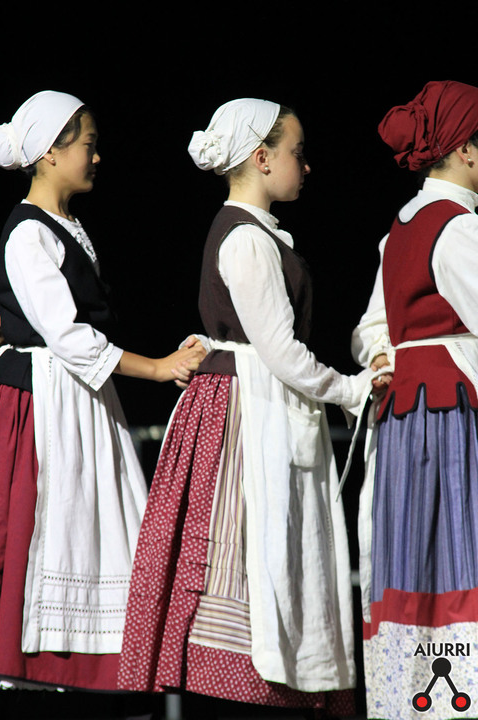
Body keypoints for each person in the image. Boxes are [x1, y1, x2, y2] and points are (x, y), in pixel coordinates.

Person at [118, 98, 376, 717]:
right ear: (261, 158)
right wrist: (351, 389)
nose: (305, 167)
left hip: (249, 399)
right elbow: (280, 350)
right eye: (297, 153)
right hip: (247, 413)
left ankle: (267, 684)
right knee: (252, 547)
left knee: (266, 549)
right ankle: (250, 684)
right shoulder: (247, 240)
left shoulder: (251, 234)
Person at [0, 90, 205, 692]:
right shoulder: (27, 234)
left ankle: (112, 667)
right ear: (49, 152)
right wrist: (160, 368)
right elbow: (68, 335)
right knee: (54, 526)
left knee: (106, 527)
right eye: (87, 145)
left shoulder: (66, 228)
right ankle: (39, 666)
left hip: (82, 400)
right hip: (49, 403)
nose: (96, 157)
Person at [351, 80, 478, 720]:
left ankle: (414, 700)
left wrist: (382, 356)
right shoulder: (458, 228)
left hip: (408, 420)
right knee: (455, 553)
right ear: (468, 150)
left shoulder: (400, 227)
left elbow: (369, 328)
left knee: (415, 559)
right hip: (448, 417)